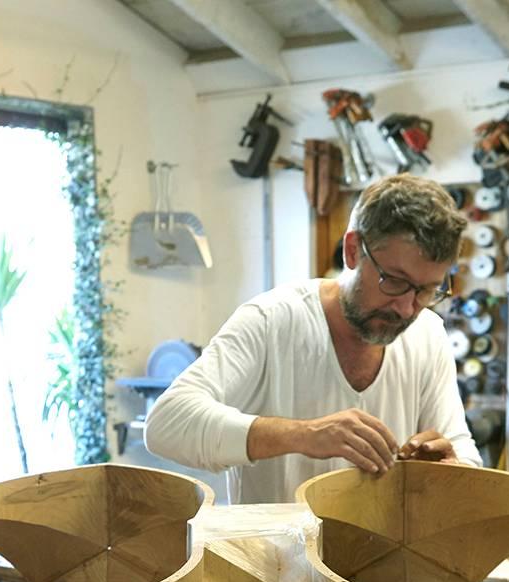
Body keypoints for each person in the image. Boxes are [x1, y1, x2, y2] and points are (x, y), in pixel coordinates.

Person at [145, 174, 482, 504]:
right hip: (274, 559)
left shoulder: (428, 333)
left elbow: (463, 454)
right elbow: (166, 425)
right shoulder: (271, 320)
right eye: (394, 281)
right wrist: (304, 435)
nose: (407, 308)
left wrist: (450, 468)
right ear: (353, 250)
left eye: (425, 290)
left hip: (383, 557)